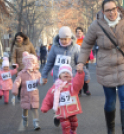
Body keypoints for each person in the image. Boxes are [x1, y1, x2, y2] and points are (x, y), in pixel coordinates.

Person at [77, 0, 124, 134]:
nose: (111, 12)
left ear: (117, 8)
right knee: (110, 101)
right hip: (106, 67)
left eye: (113, 9)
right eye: (108, 10)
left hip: (123, 64)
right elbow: (86, 45)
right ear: (103, 12)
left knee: (123, 97)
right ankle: (111, 130)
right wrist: (81, 62)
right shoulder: (96, 25)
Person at [42, 26, 90, 126]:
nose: (64, 41)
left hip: (70, 80)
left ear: (70, 38)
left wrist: (86, 76)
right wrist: (44, 75)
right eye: (62, 39)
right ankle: (57, 114)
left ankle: (69, 116)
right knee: (58, 97)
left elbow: (80, 63)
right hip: (58, 79)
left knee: (68, 99)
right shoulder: (55, 47)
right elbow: (49, 62)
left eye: (66, 39)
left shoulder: (76, 48)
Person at [41, 64, 85, 134]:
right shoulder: (56, 86)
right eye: (63, 72)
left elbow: (79, 82)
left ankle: (73, 131)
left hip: (72, 109)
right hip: (61, 111)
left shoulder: (73, 85)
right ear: (59, 76)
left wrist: (80, 73)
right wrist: (45, 107)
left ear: (71, 75)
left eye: (68, 72)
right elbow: (49, 96)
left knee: (74, 124)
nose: (65, 74)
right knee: (65, 125)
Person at [12, 51, 41, 130]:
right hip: (25, 94)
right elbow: (17, 82)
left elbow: (40, 81)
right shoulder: (21, 73)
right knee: (25, 108)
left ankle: (36, 123)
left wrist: (42, 81)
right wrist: (15, 89)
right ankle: (25, 118)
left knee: (35, 108)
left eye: (33, 62)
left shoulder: (37, 73)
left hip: (34, 94)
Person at [11, 32, 36, 100]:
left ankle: (29, 95)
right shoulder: (15, 46)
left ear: (23, 38)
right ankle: (19, 93)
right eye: (16, 38)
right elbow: (13, 56)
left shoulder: (29, 44)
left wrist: (34, 62)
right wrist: (13, 64)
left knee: (29, 81)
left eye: (19, 38)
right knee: (19, 81)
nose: (18, 39)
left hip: (29, 66)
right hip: (19, 67)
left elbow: (33, 53)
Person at [75, 27, 94, 96]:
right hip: (76, 61)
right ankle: (79, 91)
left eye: (80, 31)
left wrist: (91, 57)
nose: (79, 33)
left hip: (85, 60)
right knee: (78, 76)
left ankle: (86, 90)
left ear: (82, 33)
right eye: (77, 32)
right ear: (76, 33)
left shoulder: (85, 40)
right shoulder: (74, 40)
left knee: (85, 75)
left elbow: (89, 48)